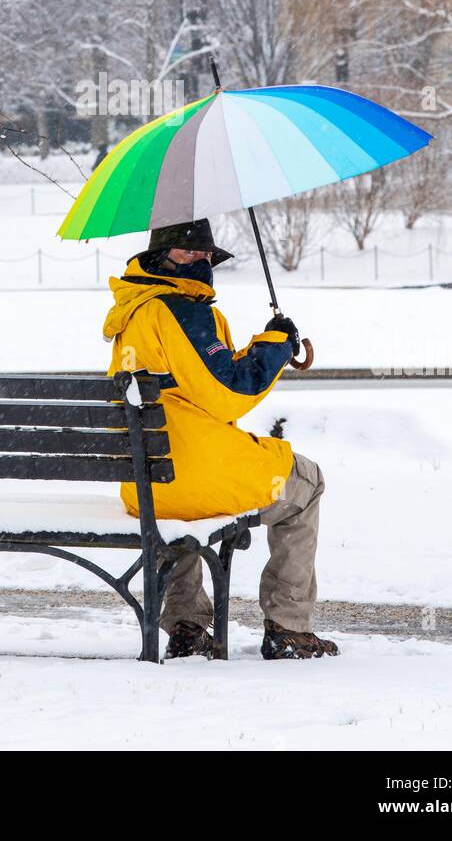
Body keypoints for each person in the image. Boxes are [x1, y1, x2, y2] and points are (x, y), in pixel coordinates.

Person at [103, 217, 338, 661]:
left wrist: (265, 345)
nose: (198, 258)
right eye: (186, 250)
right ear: (161, 256)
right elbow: (230, 392)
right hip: (194, 478)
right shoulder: (184, 310)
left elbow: (200, 376)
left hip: (148, 483)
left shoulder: (133, 311)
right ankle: (289, 628)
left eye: (202, 252)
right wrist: (275, 349)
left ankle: (188, 627)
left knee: (184, 500)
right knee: (306, 481)